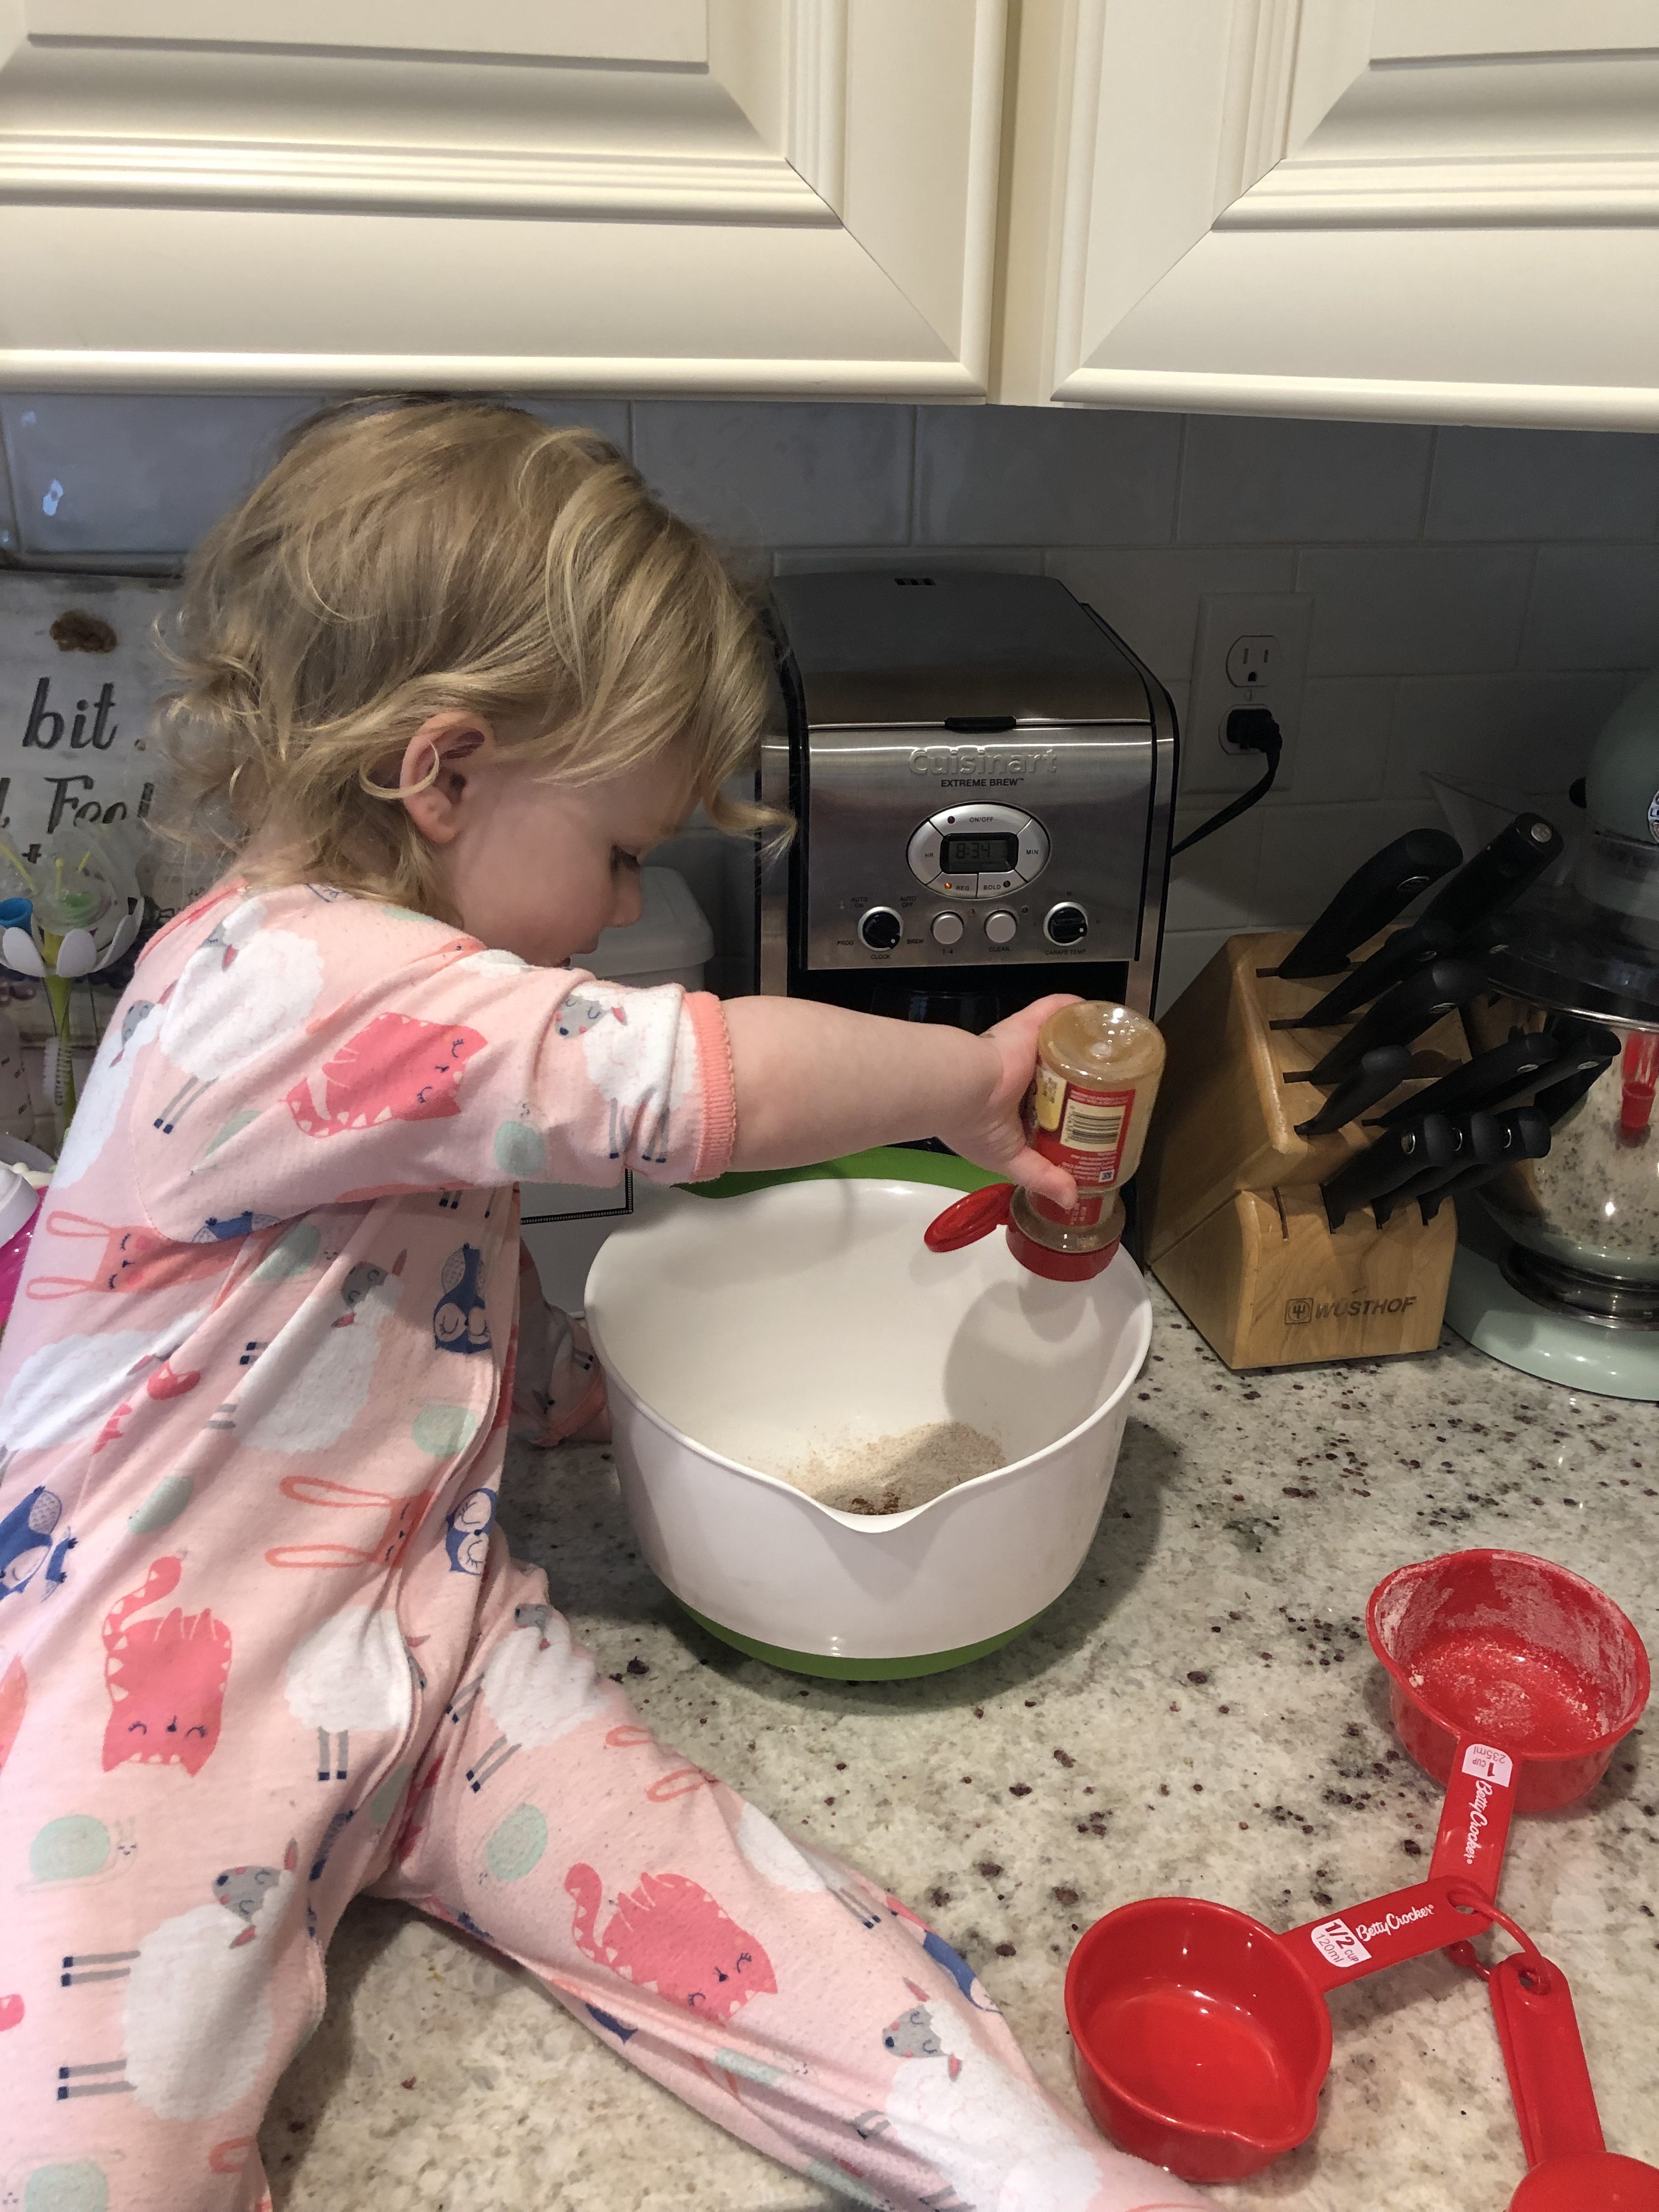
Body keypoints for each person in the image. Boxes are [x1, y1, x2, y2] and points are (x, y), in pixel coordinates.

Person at [0, 399, 1203, 2212]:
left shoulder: (404, 1003)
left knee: (727, 1905)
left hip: (435, 1632)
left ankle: (1043, 2179)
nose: (631, 903)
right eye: (627, 848)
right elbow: (674, 1079)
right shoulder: (283, 980)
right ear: (446, 770)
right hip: (167, 1684)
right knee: (87, 2149)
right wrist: (965, 1085)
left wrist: (553, 1384)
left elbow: (410, 1277)